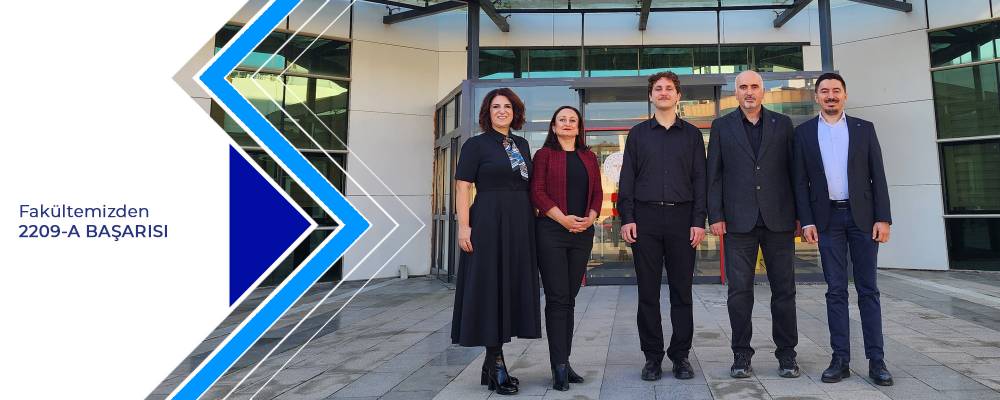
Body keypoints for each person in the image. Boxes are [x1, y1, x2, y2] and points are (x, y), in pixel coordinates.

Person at [793, 72, 894, 386]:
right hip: (827, 221)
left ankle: (877, 361)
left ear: (845, 95)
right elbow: (800, 182)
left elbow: (878, 175)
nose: (830, 96)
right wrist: (807, 221)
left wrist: (883, 218)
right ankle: (840, 360)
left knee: (868, 290)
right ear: (817, 97)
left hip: (863, 218)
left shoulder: (865, 129)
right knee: (835, 290)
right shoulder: (804, 133)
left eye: (836, 90)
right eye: (824, 91)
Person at [707, 70, 800, 379]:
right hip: (737, 222)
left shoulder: (783, 124)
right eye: (743, 87)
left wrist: (800, 216)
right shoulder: (721, 126)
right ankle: (741, 355)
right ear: (736, 93)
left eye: (754, 86)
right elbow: (714, 175)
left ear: (763, 91)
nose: (749, 92)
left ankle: (787, 355)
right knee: (739, 293)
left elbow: (795, 172)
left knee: (784, 291)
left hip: (779, 220)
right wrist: (716, 216)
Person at [450, 87, 542, 395]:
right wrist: (464, 227)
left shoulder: (521, 144)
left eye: (507, 107)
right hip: (488, 222)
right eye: (496, 107)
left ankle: (491, 363)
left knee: (510, 287)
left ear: (516, 113)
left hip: (520, 223)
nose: (502, 111)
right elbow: (463, 187)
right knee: (491, 287)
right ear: (487, 113)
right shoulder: (475, 145)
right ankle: (496, 361)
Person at [617, 71, 707, 381]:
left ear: (678, 96)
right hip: (646, 220)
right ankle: (652, 357)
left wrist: (698, 221)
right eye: (659, 88)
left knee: (682, 292)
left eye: (669, 88)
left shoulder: (692, 135)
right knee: (648, 293)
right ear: (651, 96)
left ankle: (680, 357)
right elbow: (627, 179)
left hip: (683, 221)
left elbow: (700, 180)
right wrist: (627, 217)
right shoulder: (638, 134)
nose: (664, 92)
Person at [530, 106, 603, 391]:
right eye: (562, 120)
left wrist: (591, 217)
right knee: (558, 297)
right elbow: (537, 192)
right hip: (551, 232)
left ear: (579, 126)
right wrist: (563, 219)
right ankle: (559, 366)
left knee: (569, 297)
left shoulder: (589, 157)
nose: (568, 123)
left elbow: (597, 192)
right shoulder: (544, 155)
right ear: (553, 126)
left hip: (582, 234)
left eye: (573, 120)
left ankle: (564, 361)